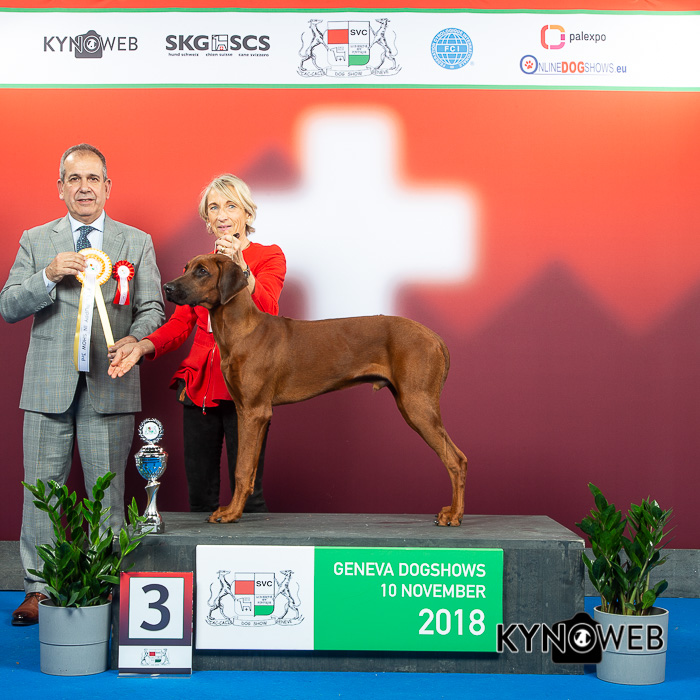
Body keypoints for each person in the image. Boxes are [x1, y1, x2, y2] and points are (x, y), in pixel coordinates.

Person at [0, 143, 165, 625]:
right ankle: (39, 588)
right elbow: (8, 305)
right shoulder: (36, 240)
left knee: (106, 495)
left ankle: (102, 585)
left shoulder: (136, 241)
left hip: (110, 383)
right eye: (74, 179)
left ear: (108, 187)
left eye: (93, 178)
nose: (84, 187)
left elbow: (154, 310)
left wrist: (135, 340)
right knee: (41, 493)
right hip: (46, 386)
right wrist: (48, 275)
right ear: (60, 188)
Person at [109, 174, 285, 515]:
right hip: (199, 387)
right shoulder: (199, 266)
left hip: (245, 385)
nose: (222, 215)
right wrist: (142, 346)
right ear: (207, 219)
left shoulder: (268, 256)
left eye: (231, 206)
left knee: (249, 496)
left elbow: (269, 311)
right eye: (213, 208)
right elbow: (179, 325)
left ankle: (253, 551)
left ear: (247, 213)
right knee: (200, 498)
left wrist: (241, 267)